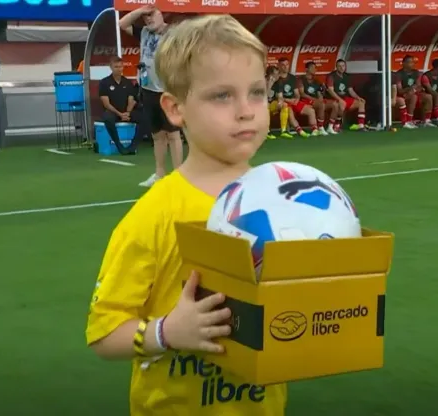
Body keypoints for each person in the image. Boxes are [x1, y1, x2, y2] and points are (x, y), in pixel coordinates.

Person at [86, 14, 287, 416]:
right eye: (222, 96)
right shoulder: (155, 214)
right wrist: (167, 332)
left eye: (256, 92)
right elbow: (104, 332)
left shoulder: (285, 199)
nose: (246, 111)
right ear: (175, 109)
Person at [120, 5, 183, 187]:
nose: (148, 20)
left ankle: (178, 176)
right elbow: (122, 23)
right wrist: (139, 11)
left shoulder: (172, 33)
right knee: (157, 135)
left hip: (167, 91)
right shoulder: (144, 32)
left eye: (151, 15)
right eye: (145, 17)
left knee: (173, 134)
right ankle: (159, 173)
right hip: (148, 90)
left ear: (160, 14)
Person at [98, 56, 140, 155]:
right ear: (111, 67)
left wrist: (128, 113)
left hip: (126, 112)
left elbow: (131, 100)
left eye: (121, 66)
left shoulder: (127, 82)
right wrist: (120, 114)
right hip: (113, 112)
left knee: (145, 118)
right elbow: (106, 104)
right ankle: (119, 145)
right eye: (116, 67)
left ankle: (132, 146)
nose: (119, 69)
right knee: (108, 118)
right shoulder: (104, 82)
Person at [273, 58, 314, 137]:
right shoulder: (276, 79)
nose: (285, 67)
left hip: (293, 100)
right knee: (289, 111)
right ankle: (299, 130)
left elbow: (297, 93)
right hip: (283, 102)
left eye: (287, 65)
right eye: (283, 65)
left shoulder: (292, 78)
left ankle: (315, 129)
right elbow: (277, 96)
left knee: (310, 110)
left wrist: (297, 99)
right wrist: (289, 100)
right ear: (279, 66)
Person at [326, 59, 366, 131]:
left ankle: (361, 126)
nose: (342, 68)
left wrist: (358, 97)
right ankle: (337, 125)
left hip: (345, 98)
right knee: (341, 104)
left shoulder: (347, 76)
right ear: (336, 67)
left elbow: (350, 90)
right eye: (339, 66)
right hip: (334, 99)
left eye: (343, 66)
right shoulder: (331, 76)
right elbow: (330, 91)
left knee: (361, 103)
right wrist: (340, 100)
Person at [298, 61, 334, 135]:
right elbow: (302, 94)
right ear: (306, 69)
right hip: (305, 100)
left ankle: (331, 127)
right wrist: (315, 100)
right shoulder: (300, 79)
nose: (315, 69)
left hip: (315, 101)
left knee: (335, 104)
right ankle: (320, 127)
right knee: (321, 104)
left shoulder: (316, 80)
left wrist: (322, 93)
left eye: (315, 68)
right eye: (312, 68)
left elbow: (319, 93)